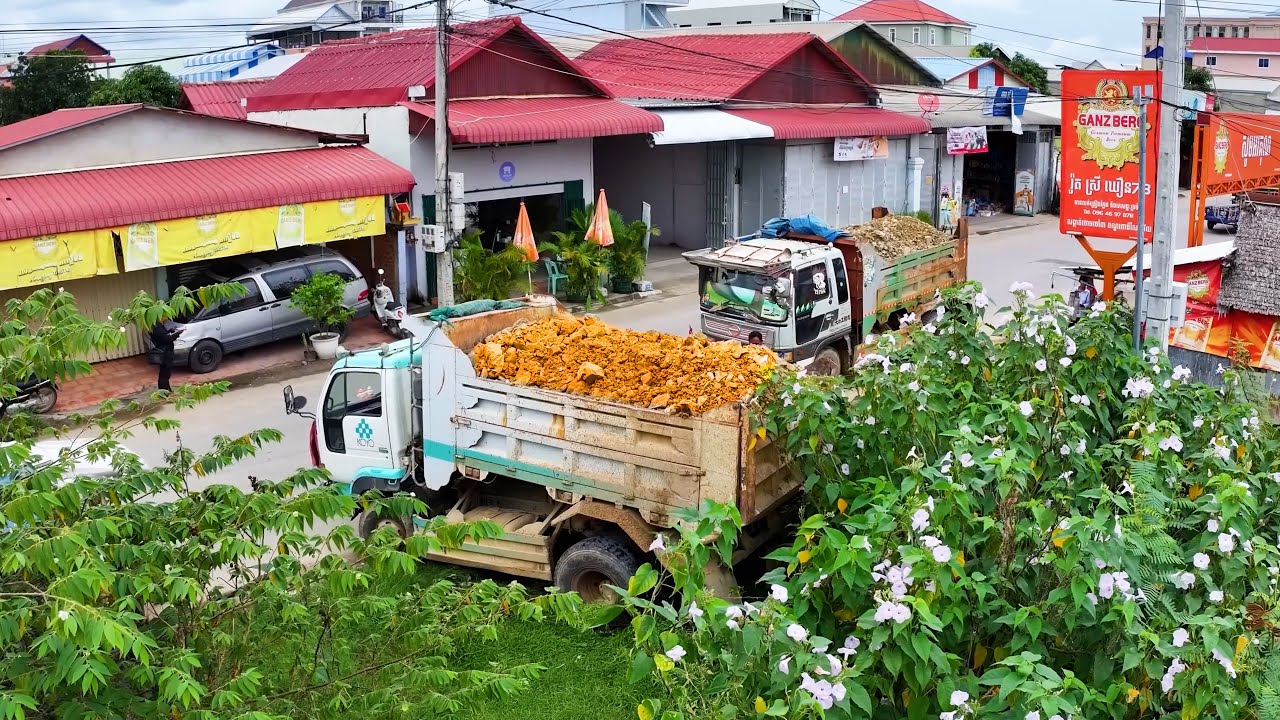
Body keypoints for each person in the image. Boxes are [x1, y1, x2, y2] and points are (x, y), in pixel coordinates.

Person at [150, 320, 184, 392]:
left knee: (165, 372)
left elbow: (164, 335)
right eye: (164, 317)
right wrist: (177, 334)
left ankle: (166, 388)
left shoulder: (158, 325)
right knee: (165, 373)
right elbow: (166, 339)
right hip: (165, 353)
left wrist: (171, 330)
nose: (166, 319)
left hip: (166, 352)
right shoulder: (157, 327)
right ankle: (163, 391)